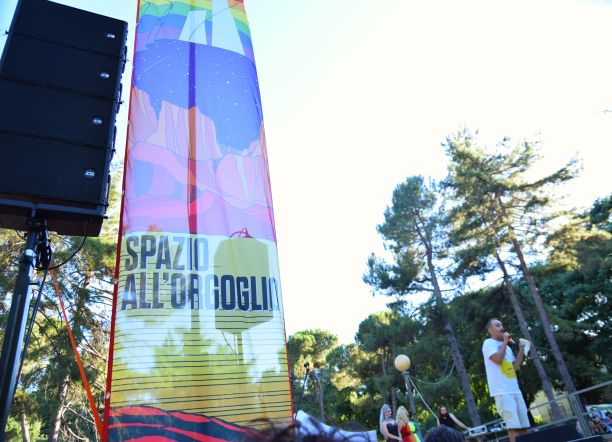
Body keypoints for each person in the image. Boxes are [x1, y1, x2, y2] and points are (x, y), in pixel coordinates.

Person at [482, 318, 529, 442]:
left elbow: (514, 368)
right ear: (490, 330)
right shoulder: (488, 343)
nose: (501, 327)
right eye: (498, 325)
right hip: (502, 391)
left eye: (501, 325)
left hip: (515, 389)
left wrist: (521, 350)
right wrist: (504, 341)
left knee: (524, 426)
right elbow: (498, 360)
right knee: (513, 426)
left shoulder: (507, 348)